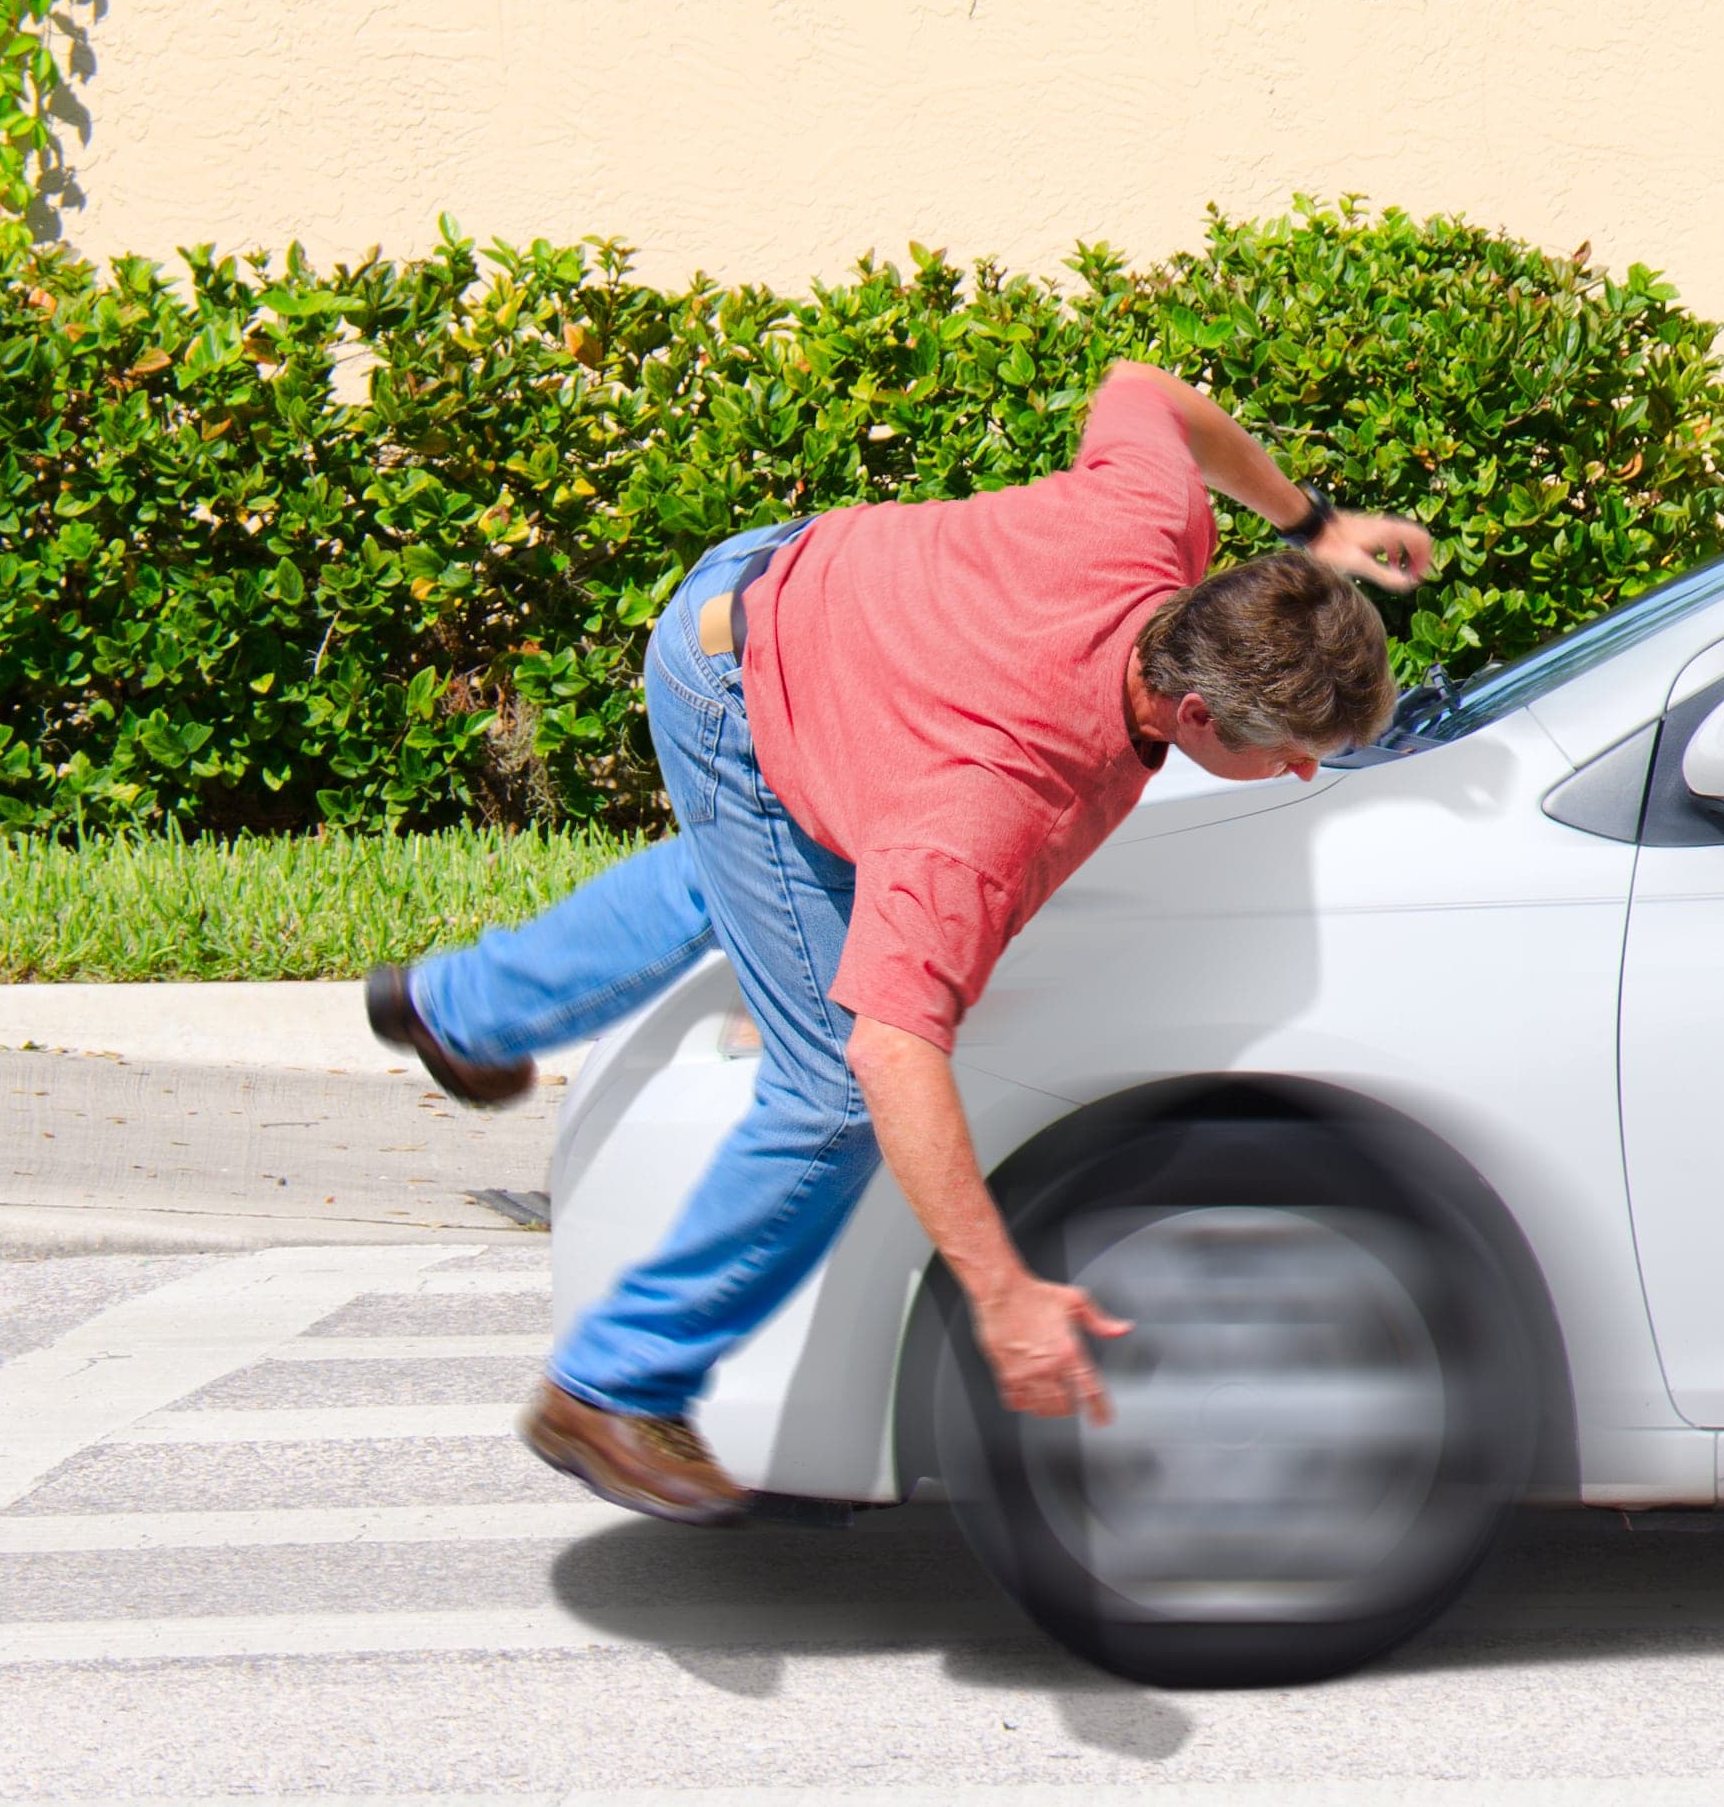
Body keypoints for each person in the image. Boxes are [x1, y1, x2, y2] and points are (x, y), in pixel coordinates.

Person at [365, 359, 1436, 1526]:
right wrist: (1003, 1294)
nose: (1301, 773)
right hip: (738, 680)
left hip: (799, 590)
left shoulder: (1151, 527)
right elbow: (888, 1052)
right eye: (1286, 749)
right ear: (1192, 712)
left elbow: (1144, 391)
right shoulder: (987, 806)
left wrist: (1314, 522)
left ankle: (458, 1008)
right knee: (822, 1083)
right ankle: (614, 1386)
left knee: (744, 871)